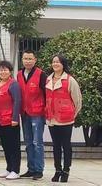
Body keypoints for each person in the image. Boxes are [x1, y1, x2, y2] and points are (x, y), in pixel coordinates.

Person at [45, 55, 82, 183]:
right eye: (54, 61)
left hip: (66, 119)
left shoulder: (70, 80)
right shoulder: (48, 79)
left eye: (58, 62)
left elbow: (77, 101)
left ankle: (66, 170)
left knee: (66, 145)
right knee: (56, 146)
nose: (55, 64)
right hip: (52, 118)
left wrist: (71, 113)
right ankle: (57, 170)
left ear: (63, 64)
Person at [17, 50, 47, 181]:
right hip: (24, 113)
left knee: (37, 142)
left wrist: (46, 111)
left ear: (35, 60)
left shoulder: (41, 74)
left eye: (30, 58)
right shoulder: (19, 74)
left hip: (37, 113)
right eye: (25, 58)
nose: (27, 61)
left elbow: (46, 94)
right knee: (28, 143)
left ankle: (38, 170)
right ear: (22, 60)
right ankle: (31, 168)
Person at [0, 60, 22, 181]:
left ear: (10, 71)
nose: (3, 72)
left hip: (10, 120)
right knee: (5, 145)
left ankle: (16, 170)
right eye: (0, 70)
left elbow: (17, 101)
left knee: (14, 146)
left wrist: (15, 118)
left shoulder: (13, 84)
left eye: (5, 70)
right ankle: (9, 168)